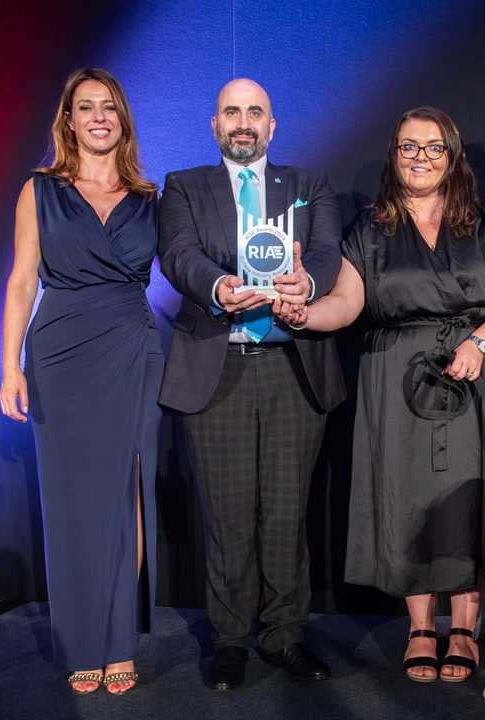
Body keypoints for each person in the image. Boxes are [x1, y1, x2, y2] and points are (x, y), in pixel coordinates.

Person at [276, 107, 485, 683]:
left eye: (434, 146)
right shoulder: (370, 229)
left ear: (452, 156)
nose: (421, 157)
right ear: (394, 156)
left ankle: (463, 627)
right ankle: (420, 627)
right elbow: (347, 303)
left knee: (467, 496)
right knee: (404, 494)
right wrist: (303, 314)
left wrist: (480, 342)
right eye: (409, 147)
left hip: (471, 371)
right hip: (394, 375)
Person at [156, 79, 346, 690]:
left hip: (293, 367)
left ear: (272, 125)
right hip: (218, 368)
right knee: (228, 516)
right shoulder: (184, 185)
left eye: (255, 112)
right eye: (232, 112)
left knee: (287, 514)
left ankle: (285, 636)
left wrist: (305, 285)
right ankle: (231, 640)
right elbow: (178, 254)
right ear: (214, 125)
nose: (244, 122)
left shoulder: (310, 184)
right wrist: (218, 287)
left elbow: (327, 252)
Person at [0, 68, 163, 696]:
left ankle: (118, 641)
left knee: (127, 494)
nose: (98, 117)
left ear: (123, 120)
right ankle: (80, 640)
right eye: (86, 107)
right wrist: (9, 365)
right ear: (68, 120)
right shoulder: (39, 190)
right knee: (70, 502)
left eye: (109, 107)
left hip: (132, 347)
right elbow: (21, 280)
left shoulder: (150, 198)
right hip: (60, 353)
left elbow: (189, 263)